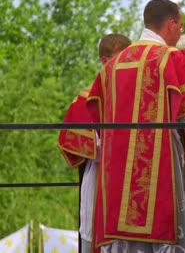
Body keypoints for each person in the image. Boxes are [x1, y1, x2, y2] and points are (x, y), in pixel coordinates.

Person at [86, 0, 185, 253]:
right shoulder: (173, 58)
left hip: (117, 174)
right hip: (160, 167)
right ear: (172, 25)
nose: (180, 32)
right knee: (164, 234)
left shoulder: (115, 64)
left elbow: (97, 118)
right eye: (181, 27)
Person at [58, 33, 132, 253]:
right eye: (120, 60)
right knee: (95, 240)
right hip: (100, 174)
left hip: (129, 176)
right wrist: (107, 145)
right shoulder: (87, 98)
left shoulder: (135, 97)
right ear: (104, 62)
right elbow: (68, 138)